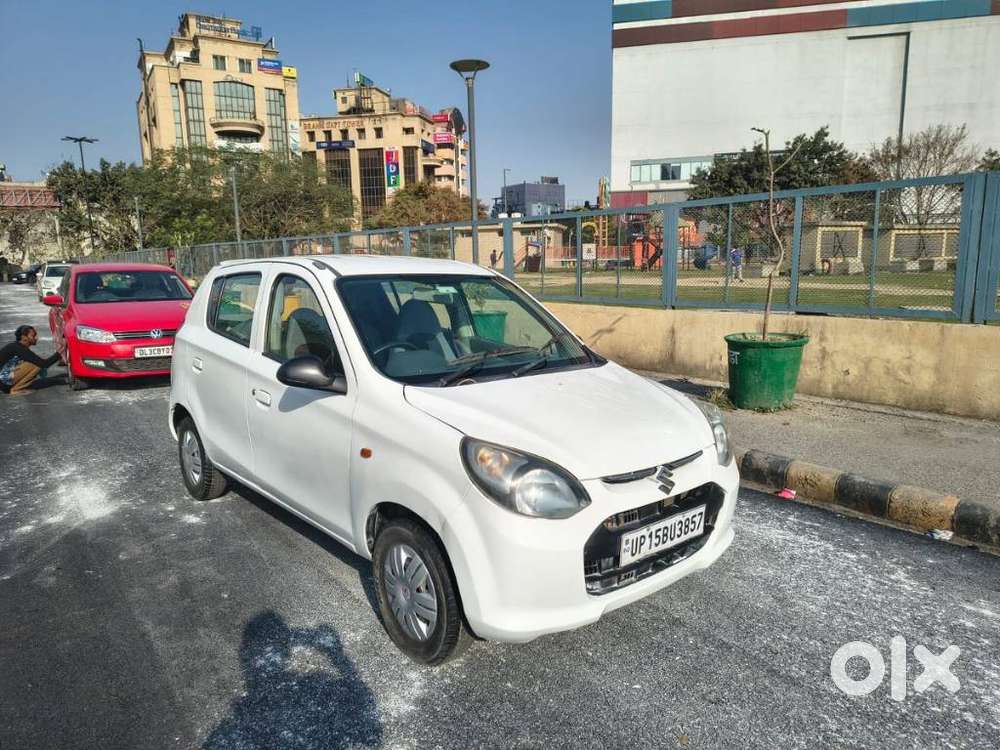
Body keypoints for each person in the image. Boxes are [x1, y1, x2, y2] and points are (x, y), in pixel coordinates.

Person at [0, 325, 63, 395]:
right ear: (24, 337)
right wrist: (60, 351)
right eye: (33, 336)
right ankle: (16, 389)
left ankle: (15, 387)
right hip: (4, 383)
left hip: (4, 380)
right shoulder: (19, 349)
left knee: (35, 363)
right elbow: (44, 364)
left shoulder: (17, 346)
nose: (36, 338)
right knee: (36, 365)